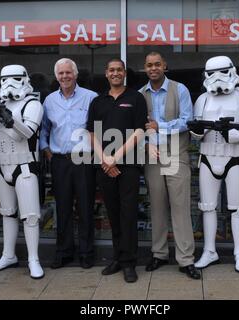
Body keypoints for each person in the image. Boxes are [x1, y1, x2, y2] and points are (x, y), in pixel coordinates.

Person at [190, 56, 239, 273]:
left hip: (235, 157)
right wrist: (199, 132)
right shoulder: (202, 99)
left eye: (222, 72)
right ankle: (209, 250)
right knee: (207, 207)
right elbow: (195, 131)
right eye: (212, 73)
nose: (217, 78)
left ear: (231, 71)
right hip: (208, 158)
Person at [0, 65, 44, 279]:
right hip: (2, 167)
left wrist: (9, 120)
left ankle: (33, 258)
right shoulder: (0, 104)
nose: (9, 84)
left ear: (24, 79)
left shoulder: (33, 104)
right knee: (7, 213)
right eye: (5, 79)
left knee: (31, 215)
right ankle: (8, 255)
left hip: (24, 165)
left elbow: (28, 132)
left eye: (14, 79)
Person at [139, 51, 200, 280]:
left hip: (176, 153)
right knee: (157, 206)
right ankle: (159, 254)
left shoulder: (179, 89)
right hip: (152, 155)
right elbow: (137, 127)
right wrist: (146, 143)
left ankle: (186, 260)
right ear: (145, 68)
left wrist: (159, 126)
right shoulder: (140, 94)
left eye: (157, 64)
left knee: (180, 207)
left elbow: (187, 120)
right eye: (149, 65)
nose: (153, 68)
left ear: (165, 66)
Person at [87, 58, 147, 283]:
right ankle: (117, 258)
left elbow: (140, 131)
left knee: (128, 214)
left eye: (119, 70)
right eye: (111, 70)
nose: (115, 73)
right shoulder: (97, 101)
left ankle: (129, 263)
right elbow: (92, 133)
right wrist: (105, 159)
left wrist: (116, 158)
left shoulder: (135, 98)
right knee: (113, 214)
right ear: (106, 73)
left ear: (124, 73)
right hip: (105, 166)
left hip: (128, 166)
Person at [40, 58, 98, 269]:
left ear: (75, 74)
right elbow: (44, 129)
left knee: (85, 207)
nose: (65, 76)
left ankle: (86, 252)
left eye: (68, 72)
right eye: (61, 73)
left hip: (84, 159)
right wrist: (47, 151)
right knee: (62, 207)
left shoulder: (91, 98)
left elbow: (98, 129)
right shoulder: (49, 101)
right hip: (60, 161)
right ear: (57, 77)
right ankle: (63, 252)